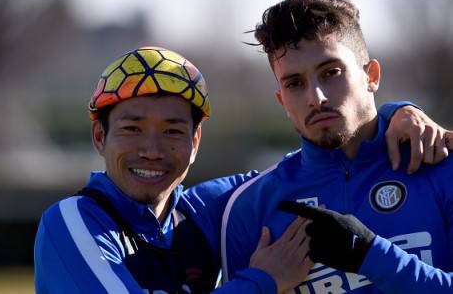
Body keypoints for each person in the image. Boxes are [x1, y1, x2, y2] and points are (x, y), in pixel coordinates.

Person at [34, 46, 449, 294]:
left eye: (173, 131)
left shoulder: (207, 212)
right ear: (99, 138)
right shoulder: (71, 223)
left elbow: (309, 168)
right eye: (132, 129)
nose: (152, 149)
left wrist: (396, 114)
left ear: (195, 143)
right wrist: (263, 281)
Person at [221, 0, 453, 294]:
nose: (315, 97)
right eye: (294, 84)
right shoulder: (249, 206)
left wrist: (372, 256)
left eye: (331, 72)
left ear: (371, 75)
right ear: (281, 100)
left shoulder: (441, 165)